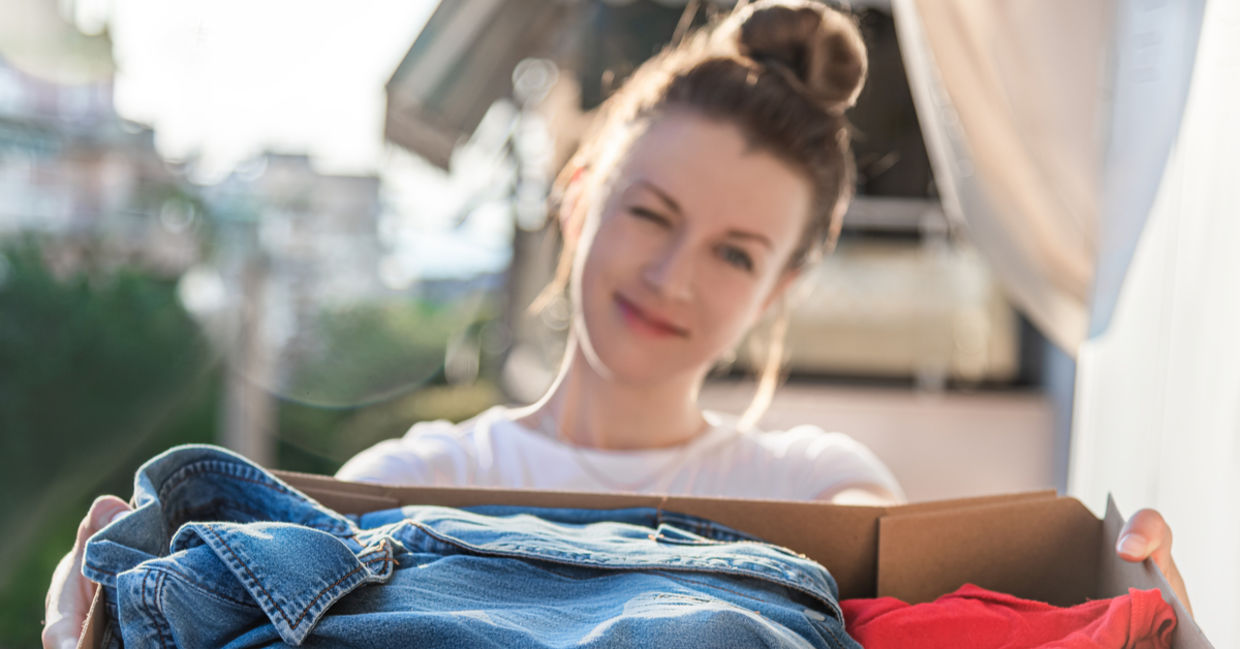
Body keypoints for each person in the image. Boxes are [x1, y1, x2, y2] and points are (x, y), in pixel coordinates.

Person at [42, 2, 1191, 647]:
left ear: (779, 290)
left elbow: (929, 602)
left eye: (736, 253)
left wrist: (1120, 596)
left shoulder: (822, 487)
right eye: (650, 213)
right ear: (578, 189)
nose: (673, 275)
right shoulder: (414, 475)